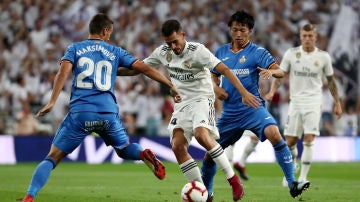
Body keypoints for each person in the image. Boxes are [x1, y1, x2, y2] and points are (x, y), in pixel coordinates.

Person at [21, 13, 181, 202]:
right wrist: (170, 85)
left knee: (52, 157)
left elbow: (63, 72)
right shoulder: (115, 52)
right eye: (110, 33)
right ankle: (141, 153)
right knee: (123, 148)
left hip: (81, 112)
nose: (110, 37)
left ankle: (30, 196)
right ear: (105, 30)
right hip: (108, 113)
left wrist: (52, 101)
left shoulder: (75, 48)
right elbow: (143, 68)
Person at [142, 19, 260, 201]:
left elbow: (226, 70)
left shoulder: (198, 51)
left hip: (202, 99)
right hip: (182, 104)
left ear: (183, 35)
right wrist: (115, 68)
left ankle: (234, 180)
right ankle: (204, 193)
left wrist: (243, 92)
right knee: (177, 146)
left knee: (200, 134)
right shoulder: (163, 52)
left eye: (175, 41)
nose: (173, 47)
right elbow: (140, 67)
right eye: (168, 43)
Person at [200, 10, 310, 200]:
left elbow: (280, 72)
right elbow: (212, 75)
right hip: (230, 113)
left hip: (253, 108)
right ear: (230, 30)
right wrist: (215, 88)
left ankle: (292, 183)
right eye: (235, 30)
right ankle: (207, 193)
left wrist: (271, 73)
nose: (238, 34)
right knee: (211, 154)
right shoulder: (221, 52)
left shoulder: (258, 52)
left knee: (274, 133)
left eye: (242, 30)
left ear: (250, 31)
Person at [266, 23, 342, 186]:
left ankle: (303, 177)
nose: (307, 39)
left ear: (315, 37)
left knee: (308, 139)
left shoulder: (323, 57)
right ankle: (291, 170)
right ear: (300, 37)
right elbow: (280, 75)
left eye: (310, 36)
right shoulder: (291, 54)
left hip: (314, 102)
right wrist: (272, 91)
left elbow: (331, 81)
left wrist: (337, 102)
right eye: (304, 36)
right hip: (295, 103)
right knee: (290, 142)